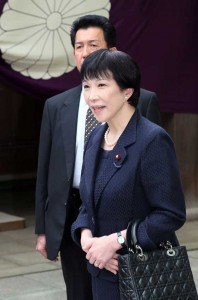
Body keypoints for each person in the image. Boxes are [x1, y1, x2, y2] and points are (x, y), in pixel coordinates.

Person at [35, 15, 161, 300]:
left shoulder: (142, 101)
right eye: (79, 46)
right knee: (78, 292)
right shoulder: (56, 106)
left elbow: (155, 179)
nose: (85, 52)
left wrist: (126, 235)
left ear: (113, 52)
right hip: (75, 218)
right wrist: (43, 229)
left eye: (93, 44)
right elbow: (45, 170)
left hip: (123, 220)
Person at [71, 49, 186, 299]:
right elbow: (88, 203)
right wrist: (86, 236)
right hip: (102, 273)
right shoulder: (96, 137)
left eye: (101, 85)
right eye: (87, 86)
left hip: (146, 275)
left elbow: (171, 214)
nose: (92, 96)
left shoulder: (152, 140)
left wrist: (115, 241)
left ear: (127, 91)